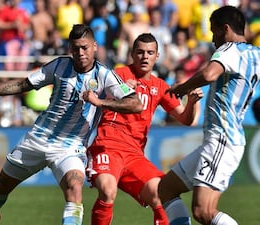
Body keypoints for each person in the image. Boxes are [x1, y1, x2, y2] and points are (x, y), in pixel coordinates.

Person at [0, 24, 143, 225]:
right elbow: (22, 85)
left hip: (70, 148)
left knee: (75, 188)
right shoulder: (58, 66)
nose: (80, 53)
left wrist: (100, 102)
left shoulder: (105, 76)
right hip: (38, 139)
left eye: (85, 47)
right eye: (75, 48)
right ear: (70, 48)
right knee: (1, 186)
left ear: (95, 46)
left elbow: (135, 104)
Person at [158, 6, 260, 225]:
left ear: (225, 29)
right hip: (224, 140)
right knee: (166, 188)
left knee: (203, 211)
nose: (213, 39)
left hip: (223, 139)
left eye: (214, 32)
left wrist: (182, 88)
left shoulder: (229, 50)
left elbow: (209, 74)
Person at [86, 33, 203, 225]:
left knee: (162, 194)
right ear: (132, 54)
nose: (145, 56)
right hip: (108, 146)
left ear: (157, 56)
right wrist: (118, 90)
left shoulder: (160, 86)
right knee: (107, 191)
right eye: (140, 52)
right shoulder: (118, 74)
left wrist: (191, 102)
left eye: (150, 52)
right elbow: (91, 94)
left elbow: (185, 119)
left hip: (134, 155)